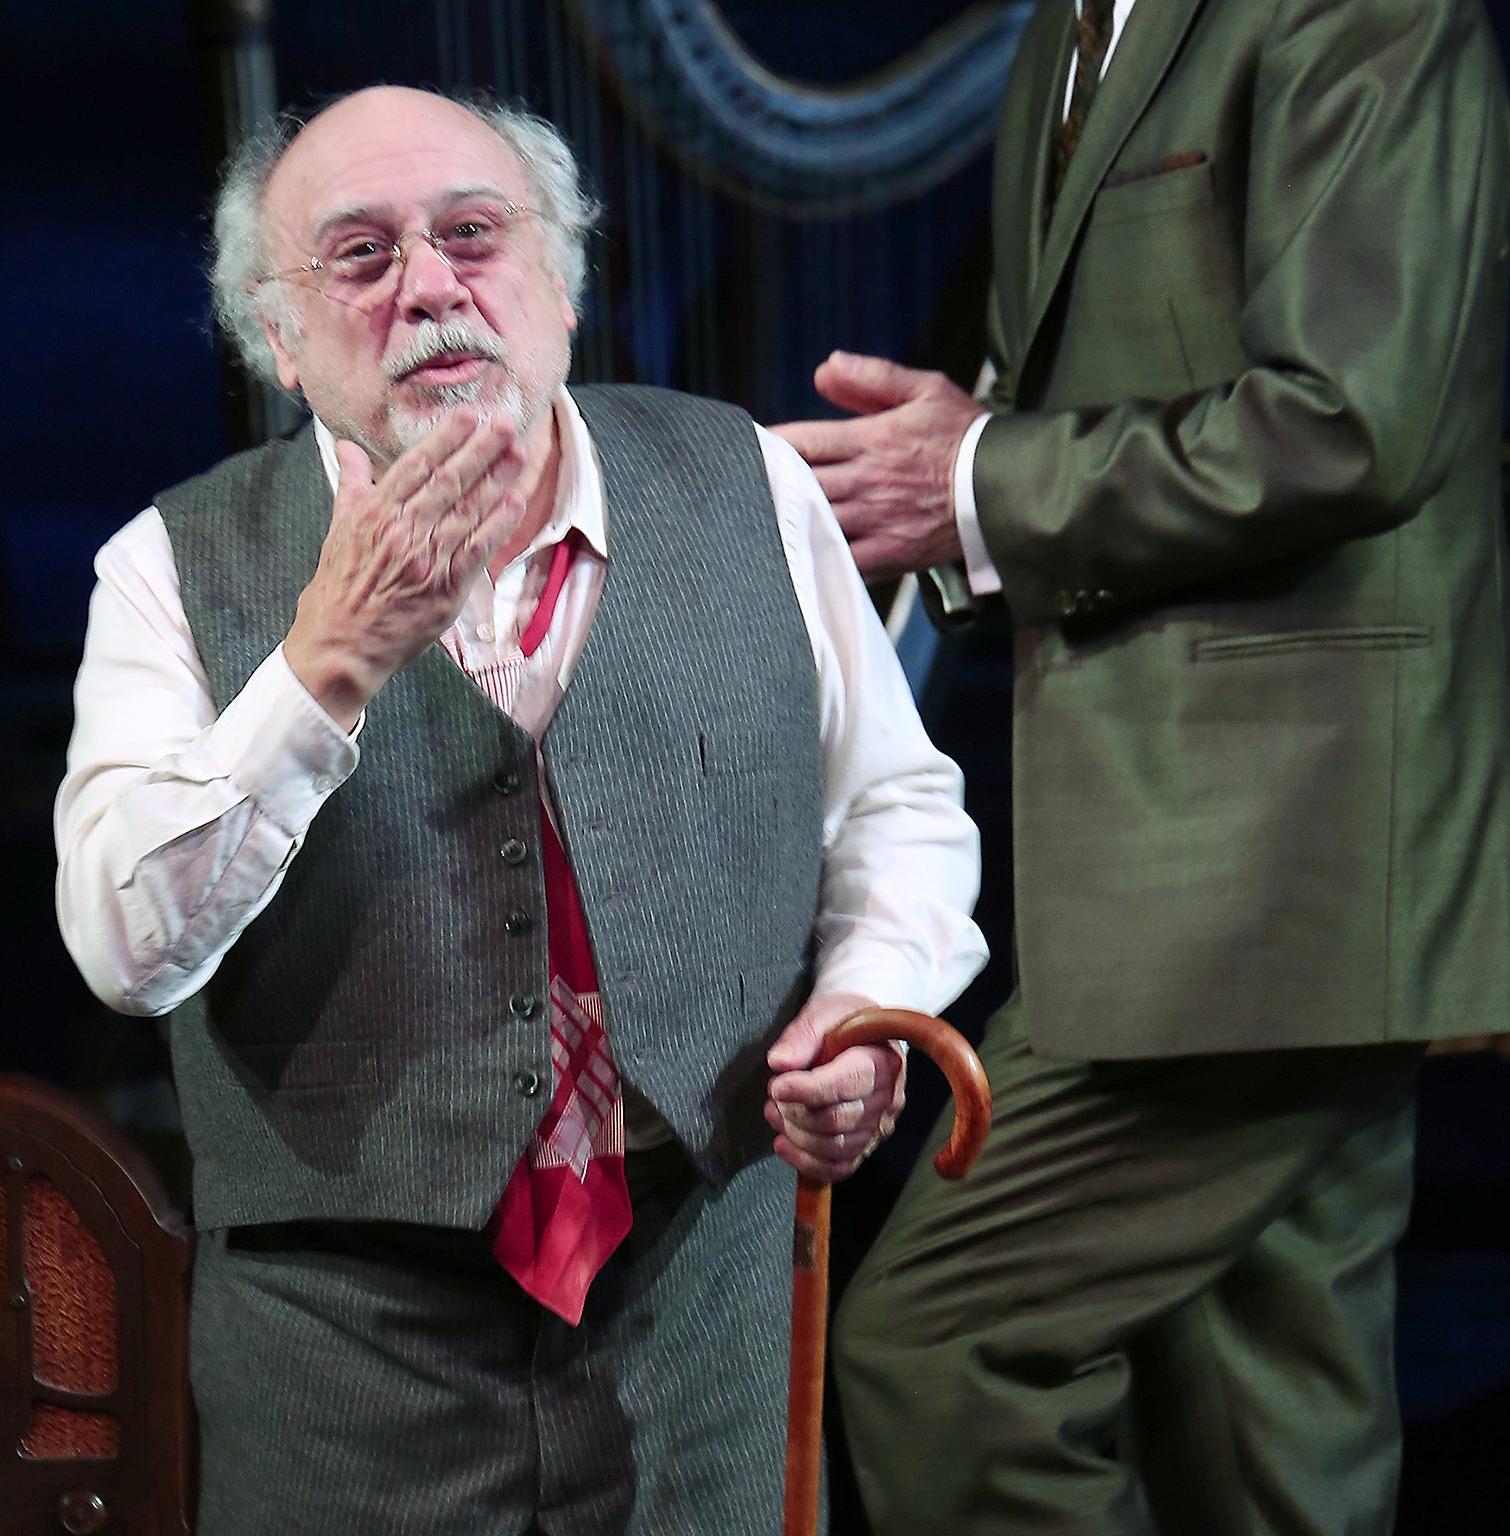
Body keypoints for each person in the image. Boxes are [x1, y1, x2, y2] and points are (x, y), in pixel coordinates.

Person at [54, 85, 987, 1535]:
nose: (431, 286)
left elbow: (898, 809)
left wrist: (866, 1007)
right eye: (360, 256)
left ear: (558, 285)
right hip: (346, 1354)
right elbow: (125, 948)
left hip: (702, 1309)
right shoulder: (168, 570)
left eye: (473, 236)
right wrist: (323, 670)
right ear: (278, 340)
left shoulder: (747, 485)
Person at [772, 1, 1510, 1531]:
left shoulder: (1370, 17)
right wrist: (946, 483)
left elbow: (1351, 423)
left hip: (1281, 875)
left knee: (936, 1342)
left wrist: (976, 476)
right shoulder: (1064, 40)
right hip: (1173, 872)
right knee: (1271, 1440)